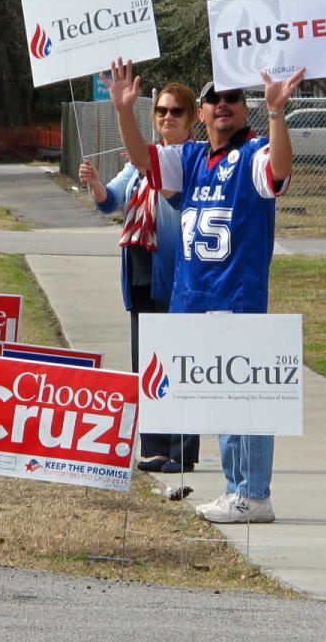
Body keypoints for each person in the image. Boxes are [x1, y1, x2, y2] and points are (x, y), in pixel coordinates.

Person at [103, 57, 305, 523]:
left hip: (235, 298)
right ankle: (237, 489)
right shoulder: (191, 158)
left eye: (232, 98)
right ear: (203, 112)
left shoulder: (253, 152)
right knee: (220, 406)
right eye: (214, 98)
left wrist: (277, 114)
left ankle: (254, 495)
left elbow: (277, 172)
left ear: (244, 108)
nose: (222, 105)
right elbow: (142, 161)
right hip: (193, 300)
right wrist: (123, 112)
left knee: (245, 404)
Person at [78, 82, 201, 474]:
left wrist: (122, 112)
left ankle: (181, 448)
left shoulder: (194, 159)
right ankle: (153, 445)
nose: (167, 117)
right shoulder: (138, 163)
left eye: (176, 111)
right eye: (162, 111)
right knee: (147, 363)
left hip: (177, 272)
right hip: (140, 274)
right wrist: (96, 183)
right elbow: (110, 201)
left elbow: (165, 185)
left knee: (180, 360)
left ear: (192, 118)